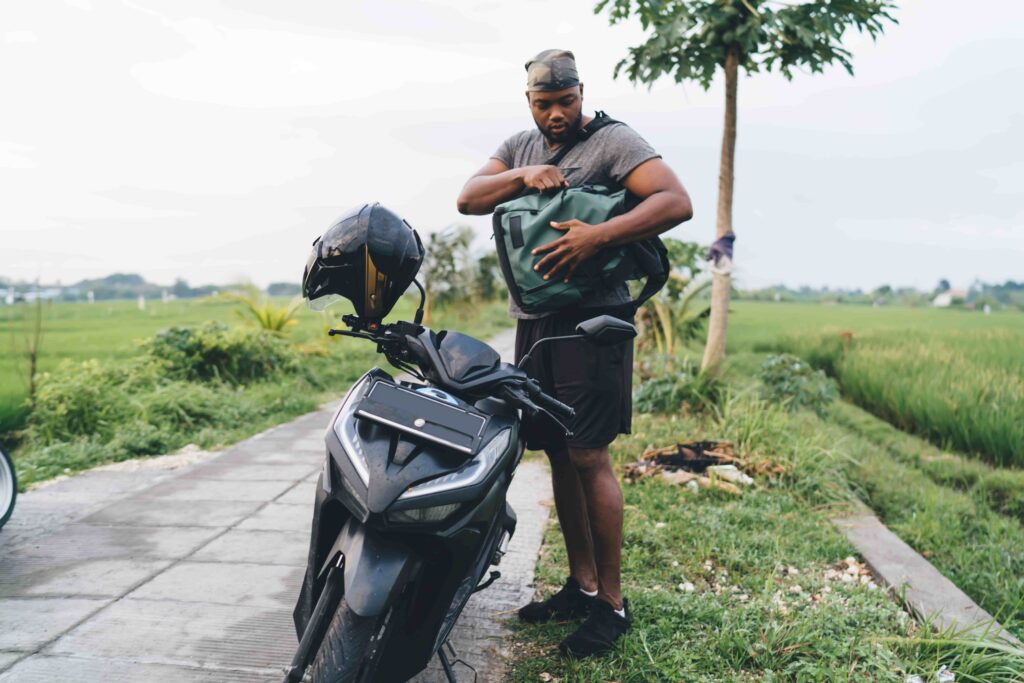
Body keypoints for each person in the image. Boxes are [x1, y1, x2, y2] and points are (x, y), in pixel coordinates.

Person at [456, 49, 692, 658]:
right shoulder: (519, 145)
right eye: (544, 104)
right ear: (528, 102)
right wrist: (519, 176)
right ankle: (581, 586)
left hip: (594, 323)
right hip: (537, 323)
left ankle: (611, 605)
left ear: (581, 93)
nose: (556, 114)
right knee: (559, 452)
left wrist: (601, 234)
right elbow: (468, 198)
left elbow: (675, 201)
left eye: (565, 101)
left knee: (590, 454)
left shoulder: (614, 143)